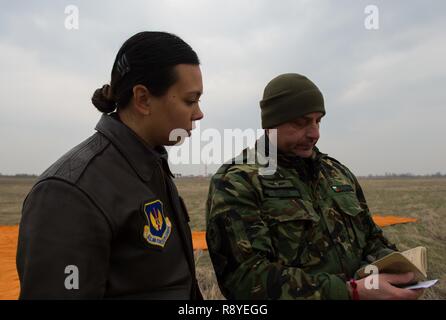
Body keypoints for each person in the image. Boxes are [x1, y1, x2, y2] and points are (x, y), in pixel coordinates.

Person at [16, 31, 204, 299]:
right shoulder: (68, 193)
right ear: (142, 99)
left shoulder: (151, 167)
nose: (198, 113)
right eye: (190, 100)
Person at [205, 73, 424, 300]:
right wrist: (349, 292)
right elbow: (246, 280)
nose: (314, 133)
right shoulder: (237, 182)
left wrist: (398, 268)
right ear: (271, 124)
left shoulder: (337, 173)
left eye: (318, 121)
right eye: (301, 123)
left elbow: (371, 238)